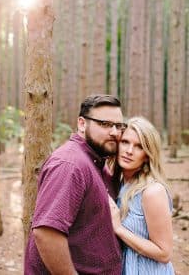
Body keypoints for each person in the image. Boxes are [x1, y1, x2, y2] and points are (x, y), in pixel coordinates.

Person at [24, 94, 124, 275]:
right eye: (105, 124)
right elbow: (47, 233)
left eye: (119, 126)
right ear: (82, 124)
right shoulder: (70, 165)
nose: (115, 132)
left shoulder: (94, 162)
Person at [109, 116, 175, 275]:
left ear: (147, 155)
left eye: (139, 146)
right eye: (125, 142)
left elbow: (164, 253)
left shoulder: (152, 191)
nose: (129, 151)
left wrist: (119, 229)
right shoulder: (121, 184)